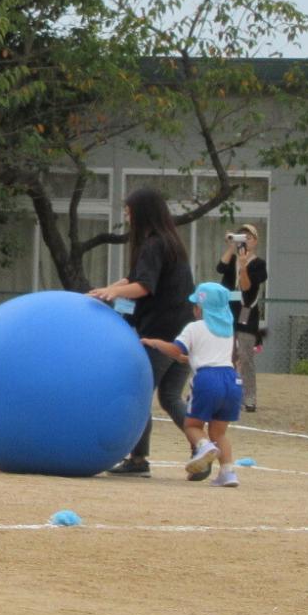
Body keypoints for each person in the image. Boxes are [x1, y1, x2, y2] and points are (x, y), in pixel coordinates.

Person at [88, 187, 195, 476]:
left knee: (138, 394)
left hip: (158, 335)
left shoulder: (152, 244)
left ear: (142, 212)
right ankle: (204, 446)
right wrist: (111, 288)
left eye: (129, 210)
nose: (126, 214)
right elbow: (135, 278)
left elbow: (143, 287)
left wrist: (112, 293)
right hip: (184, 334)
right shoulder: (171, 243)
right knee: (171, 396)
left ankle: (138, 459)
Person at [142, 281, 244, 487]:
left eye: (196, 305)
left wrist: (153, 342)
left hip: (207, 380)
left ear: (201, 308)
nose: (193, 309)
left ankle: (204, 446)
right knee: (219, 432)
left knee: (192, 425)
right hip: (231, 380)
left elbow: (175, 349)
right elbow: (215, 356)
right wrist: (189, 358)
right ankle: (228, 472)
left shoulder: (194, 327)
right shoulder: (227, 329)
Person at [216, 223, 266, 413]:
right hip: (227, 312)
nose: (245, 240)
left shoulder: (259, 264)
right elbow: (220, 268)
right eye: (241, 236)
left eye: (249, 237)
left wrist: (243, 265)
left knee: (245, 357)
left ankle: (249, 397)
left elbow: (246, 287)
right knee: (225, 356)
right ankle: (226, 394)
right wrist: (231, 246)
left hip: (246, 312)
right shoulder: (232, 259)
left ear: (256, 241)